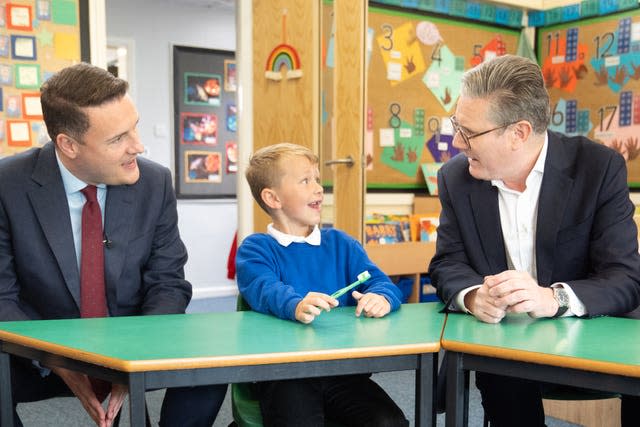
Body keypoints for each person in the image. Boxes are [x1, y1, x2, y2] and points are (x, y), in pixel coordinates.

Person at [0, 63, 226, 427]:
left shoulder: (154, 183)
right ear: (68, 145)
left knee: (212, 359)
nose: (138, 145)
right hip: (38, 353)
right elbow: (2, 297)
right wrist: (56, 359)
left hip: (132, 342)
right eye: (117, 138)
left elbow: (167, 284)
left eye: (134, 126)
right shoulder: (8, 185)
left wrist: (133, 359)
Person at [428, 54, 640, 427]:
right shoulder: (455, 178)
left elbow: (624, 277)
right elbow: (447, 263)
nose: (456, 142)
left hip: (595, 335)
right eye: (456, 126)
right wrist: (475, 295)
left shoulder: (598, 168)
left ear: (519, 133)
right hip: (506, 345)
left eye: (469, 132)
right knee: (500, 371)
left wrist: (552, 298)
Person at [236, 143, 408, 427]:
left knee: (389, 422)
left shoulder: (341, 244)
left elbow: (380, 282)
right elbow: (264, 289)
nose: (318, 188)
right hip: (286, 375)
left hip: (343, 373)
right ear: (273, 198)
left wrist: (381, 297)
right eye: (306, 180)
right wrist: (295, 305)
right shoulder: (256, 249)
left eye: (317, 178)